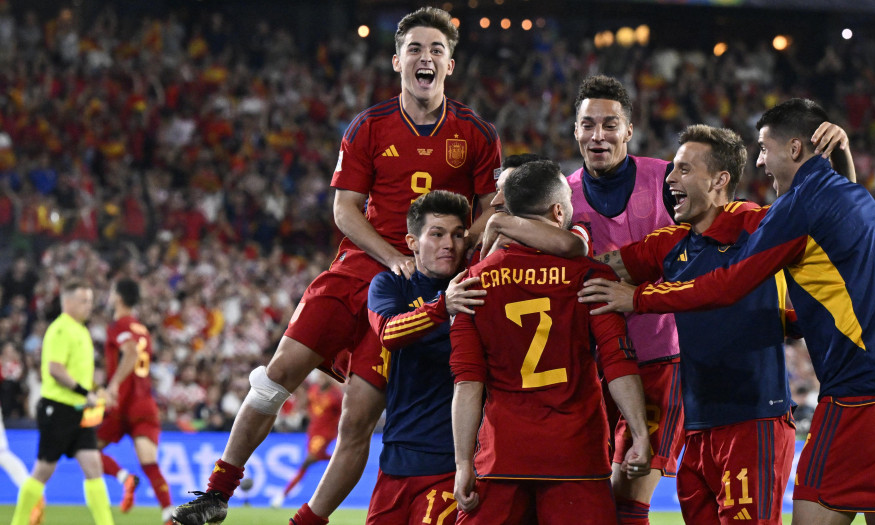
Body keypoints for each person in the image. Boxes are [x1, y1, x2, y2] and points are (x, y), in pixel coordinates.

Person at [172, 7, 501, 525]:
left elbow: (490, 211)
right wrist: (391, 254)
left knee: (358, 419)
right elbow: (344, 209)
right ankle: (217, 491)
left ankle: (306, 521)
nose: (426, 57)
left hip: (416, 290)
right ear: (397, 60)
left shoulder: (477, 134)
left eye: (436, 49)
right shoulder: (369, 126)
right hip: (356, 271)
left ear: (450, 64)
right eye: (415, 48)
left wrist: (447, 251)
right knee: (277, 373)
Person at [581, 98, 875, 525]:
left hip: (845, 398)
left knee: (813, 513)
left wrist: (636, 298)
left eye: (765, 148)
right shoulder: (848, 197)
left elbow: (730, 284)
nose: (761, 160)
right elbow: (605, 265)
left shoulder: (775, 216)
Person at [599, 124, 802, 524]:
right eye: (673, 169)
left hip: (753, 421)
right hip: (697, 430)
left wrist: (637, 298)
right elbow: (600, 269)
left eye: (684, 170)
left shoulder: (754, 225)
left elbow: (723, 290)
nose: (670, 179)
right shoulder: (670, 243)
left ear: (720, 180)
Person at [449, 160, 652, 524]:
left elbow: (467, 382)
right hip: (577, 458)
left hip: (502, 457)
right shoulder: (591, 276)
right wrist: (638, 433)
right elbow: (618, 362)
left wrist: (463, 462)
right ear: (559, 210)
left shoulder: (470, 284)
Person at [563, 75, 683, 522]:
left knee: (628, 503)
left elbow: (704, 252)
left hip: (658, 362)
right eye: (588, 124)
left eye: (610, 125)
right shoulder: (561, 196)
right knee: (588, 503)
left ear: (629, 130)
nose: (599, 136)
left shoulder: (668, 179)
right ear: (575, 131)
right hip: (590, 368)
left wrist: (639, 293)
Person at [361, 190, 472, 524]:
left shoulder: (474, 286)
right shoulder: (389, 286)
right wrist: (443, 307)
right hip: (395, 458)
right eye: (436, 234)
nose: (449, 244)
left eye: (457, 235)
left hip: (447, 462)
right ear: (412, 241)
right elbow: (390, 334)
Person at [11, 281, 114, 525]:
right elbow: (55, 369)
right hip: (57, 408)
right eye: (84, 300)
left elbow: (80, 375)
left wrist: (97, 392)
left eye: (90, 300)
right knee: (43, 470)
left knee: (93, 466)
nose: (89, 305)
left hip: (80, 410)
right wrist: (84, 392)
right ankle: (18, 522)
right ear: (68, 302)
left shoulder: (81, 330)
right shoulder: (60, 329)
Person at [96, 278, 172, 524]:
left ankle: (122, 477)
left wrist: (114, 384)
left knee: (85, 448)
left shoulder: (119, 325)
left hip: (121, 404)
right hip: (144, 404)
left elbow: (129, 352)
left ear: (118, 297)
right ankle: (169, 515)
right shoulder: (143, 330)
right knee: (150, 464)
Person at [272, 373, 343, 509]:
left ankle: (282, 495)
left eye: (324, 378)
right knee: (317, 458)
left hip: (325, 434)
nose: (321, 380)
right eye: (320, 378)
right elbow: (306, 403)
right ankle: (340, 460)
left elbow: (343, 412)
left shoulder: (336, 395)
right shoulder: (314, 390)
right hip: (313, 432)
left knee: (308, 461)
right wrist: (298, 409)